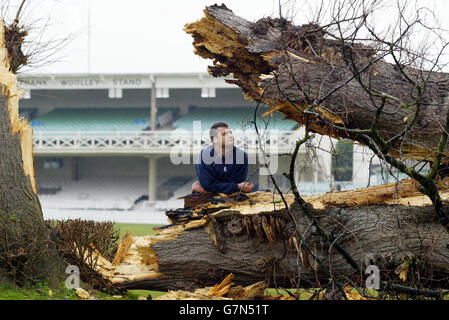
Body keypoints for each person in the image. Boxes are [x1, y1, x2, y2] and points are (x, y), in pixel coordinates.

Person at [192, 122, 254, 194]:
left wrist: (210, 188)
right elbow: (208, 185)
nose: (230, 136)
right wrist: (235, 186)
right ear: (214, 139)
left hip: (234, 199)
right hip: (205, 200)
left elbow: (238, 185)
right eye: (224, 134)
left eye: (230, 133)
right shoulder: (204, 155)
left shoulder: (241, 156)